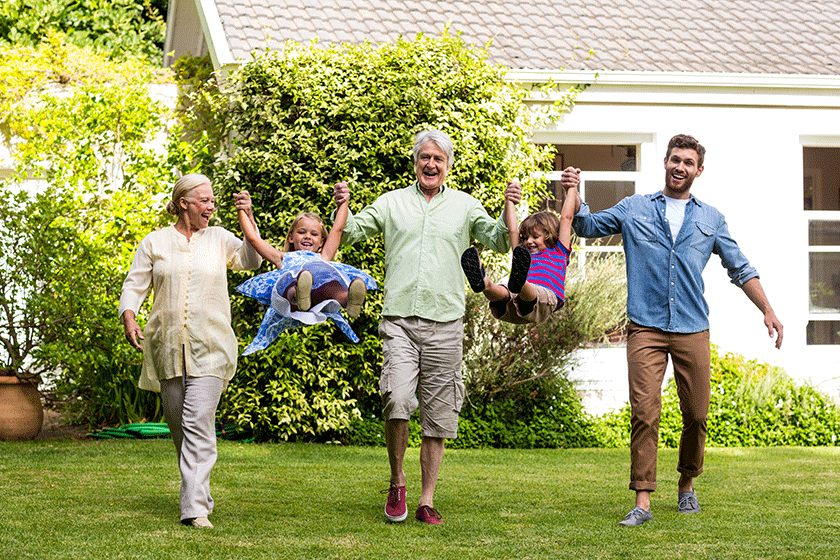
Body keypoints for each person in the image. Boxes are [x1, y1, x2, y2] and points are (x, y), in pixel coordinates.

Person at [567, 134, 783, 527]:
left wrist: (767, 310)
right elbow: (587, 225)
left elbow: (740, 267)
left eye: (688, 162)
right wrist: (575, 192)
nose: (680, 167)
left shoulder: (710, 218)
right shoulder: (634, 208)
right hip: (645, 327)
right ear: (664, 162)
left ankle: (686, 484)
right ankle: (643, 500)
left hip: (692, 328)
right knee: (645, 413)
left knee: (697, 415)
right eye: (674, 160)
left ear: (699, 170)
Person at [333, 129, 520, 525]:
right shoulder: (391, 203)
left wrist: (509, 206)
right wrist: (343, 205)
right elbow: (348, 234)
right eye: (424, 158)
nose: (430, 164)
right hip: (399, 319)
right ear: (415, 162)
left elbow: (503, 241)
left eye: (438, 158)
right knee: (397, 399)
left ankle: (426, 499)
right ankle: (398, 480)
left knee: (438, 415)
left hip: (447, 322)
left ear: (447, 164)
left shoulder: (465, 206)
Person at [118, 174, 263, 528]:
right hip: (167, 346)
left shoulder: (219, 239)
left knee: (198, 422)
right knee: (180, 428)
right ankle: (201, 494)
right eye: (204, 201)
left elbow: (251, 260)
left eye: (213, 201)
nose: (211, 207)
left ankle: (194, 510)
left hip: (212, 345)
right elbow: (135, 284)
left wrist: (249, 222)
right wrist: (129, 317)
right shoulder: (155, 242)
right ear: (184, 203)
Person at [233, 192, 377, 354]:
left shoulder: (323, 257)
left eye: (314, 234)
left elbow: (337, 229)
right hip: (289, 302)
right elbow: (253, 239)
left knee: (331, 284)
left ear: (322, 241)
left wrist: (343, 202)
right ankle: (299, 294)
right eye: (302, 232)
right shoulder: (282, 258)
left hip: (317, 299)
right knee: (289, 284)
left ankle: (348, 299)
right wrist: (242, 209)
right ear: (290, 237)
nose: (308, 236)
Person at [460, 179, 579, 324]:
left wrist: (572, 187)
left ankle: (520, 282)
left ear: (550, 235)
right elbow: (513, 230)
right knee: (503, 292)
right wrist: (509, 200)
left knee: (524, 289)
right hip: (516, 304)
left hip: (544, 297)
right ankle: (485, 284)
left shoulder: (559, 251)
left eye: (535, 237)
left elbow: (567, 218)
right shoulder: (523, 254)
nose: (529, 241)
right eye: (526, 237)